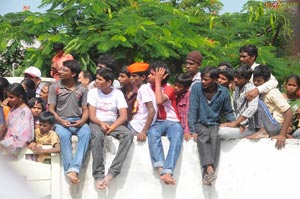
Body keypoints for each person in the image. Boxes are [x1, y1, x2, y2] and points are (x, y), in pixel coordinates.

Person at [88, 67, 134, 189]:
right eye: (96, 78)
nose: (96, 81)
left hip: (113, 123)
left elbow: (123, 116)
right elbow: (92, 116)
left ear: (108, 82)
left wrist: (112, 127)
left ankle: (113, 173)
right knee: (97, 136)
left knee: (128, 135)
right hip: (97, 122)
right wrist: (101, 123)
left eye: (99, 79)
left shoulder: (117, 94)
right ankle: (98, 175)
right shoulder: (92, 92)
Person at [188, 66, 235, 186]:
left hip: (214, 123)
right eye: (202, 79)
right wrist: (192, 129)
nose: (203, 82)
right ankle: (210, 169)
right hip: (199, 122)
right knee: (204, 134)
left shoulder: (223, 92)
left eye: (206, 80)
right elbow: (192, 109)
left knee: (215, 136)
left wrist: (234, 124)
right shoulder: (196, 88)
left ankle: (207, 176)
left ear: (215, 80)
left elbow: (228, 111)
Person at [48, 60, 91, 184]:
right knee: (64, 136)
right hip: (60, 121)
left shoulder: (82, 89)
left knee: (86, 133)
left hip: (78, 121)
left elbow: (85, 109)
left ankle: (74, 168)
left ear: (73, 74)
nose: (60, 72)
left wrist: (82, 121)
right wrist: (61, 121)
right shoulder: (55, 87)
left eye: (64, 70)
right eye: (60, 69)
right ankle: (70, 170)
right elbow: (51, 109)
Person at [147, 61, 183, 185]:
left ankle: (168, 171)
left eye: (153, 74)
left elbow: (159, 101)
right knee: (152, 133)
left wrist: (157, 81)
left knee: (177, 137)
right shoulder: (147, 88)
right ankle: (161, 167)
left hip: (173, 121)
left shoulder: (169, 88)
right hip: (158, 121)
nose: (149, 76)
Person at [249, 64, 292, 149]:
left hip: (275, 127)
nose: (256, 83)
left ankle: (263, 131)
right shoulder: (261, 92)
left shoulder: (273, 92)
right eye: (254, 80)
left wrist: (282, 135)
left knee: (255, 101)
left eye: (259, 81)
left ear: (266, 81)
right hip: (267, 127)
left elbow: (289, 112)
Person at [219, 65, 259, 139]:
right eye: (235, 77)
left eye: (239, 78)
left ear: (247, 79)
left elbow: (252, 108)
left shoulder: (251, 89)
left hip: (247, 127)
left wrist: (236, 123)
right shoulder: (237, 88)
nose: (236, 80)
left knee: (220, 132)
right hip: (238, 125)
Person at [0, 83, 34, 155]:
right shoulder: (14, 108)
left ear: (20, 97)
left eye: (11, 97)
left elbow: (22, 138)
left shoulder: (25, 112)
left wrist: (3, 145)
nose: (8, 99)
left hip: (11, 150)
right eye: (7, 97)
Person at [127, 62, 157, 142]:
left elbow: (152, 111)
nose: (130, 78)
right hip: (136, 125)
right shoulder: (145, 88)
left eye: (134, 76)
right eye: (130, 76)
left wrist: (144, 131)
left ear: (143, 77)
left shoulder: (143, 89)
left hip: (137, 127)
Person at [173, 73, 193, 141]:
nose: (175, 88)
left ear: (186, 88)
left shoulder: (188, 95)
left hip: (185, 128)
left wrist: (187, 131)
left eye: (179, 86)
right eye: (175, 85)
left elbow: (188, 113)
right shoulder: (174, 95)